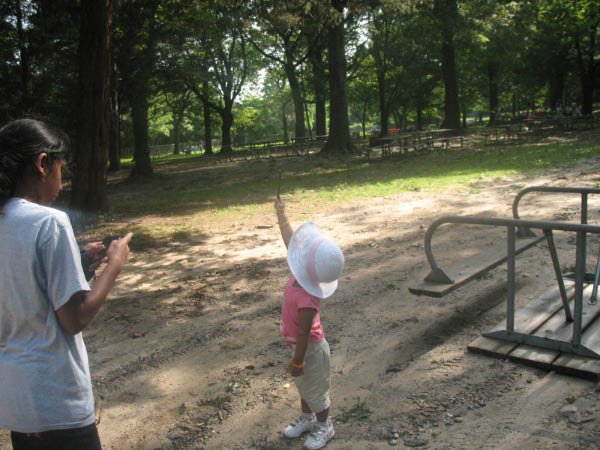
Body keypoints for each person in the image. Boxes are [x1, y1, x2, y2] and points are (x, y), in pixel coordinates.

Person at [0, 118, 133, 450]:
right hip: (56, 398)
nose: (62, 182)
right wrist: (114, 265)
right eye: (61, 170)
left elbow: (22, 288)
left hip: (18, 403)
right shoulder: (50, 222)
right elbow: (74, 318)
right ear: (42, 164)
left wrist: (81, 264)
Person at [275, 196, 344, 450]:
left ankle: (325, 425)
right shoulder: (302, 276)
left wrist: (297, 361)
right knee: (304, 386)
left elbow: (304, 332)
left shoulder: (308, 297)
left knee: (316, 390)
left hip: (311, 349)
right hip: (300, 347)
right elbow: (291, 242)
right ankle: (307, 418)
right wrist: (281, 215)